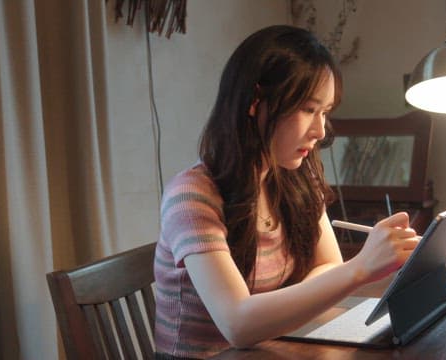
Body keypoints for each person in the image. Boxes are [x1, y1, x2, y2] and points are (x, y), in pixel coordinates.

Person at [154, 24, 419, 359]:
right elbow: (237, 324)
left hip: (271, 348)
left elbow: (327, 264)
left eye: (324, 113)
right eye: (309, 110)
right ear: (255, 101)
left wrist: (338, 277)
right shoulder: (192, 195)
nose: (320, 131)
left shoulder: (294, 176)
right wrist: (360, 268)